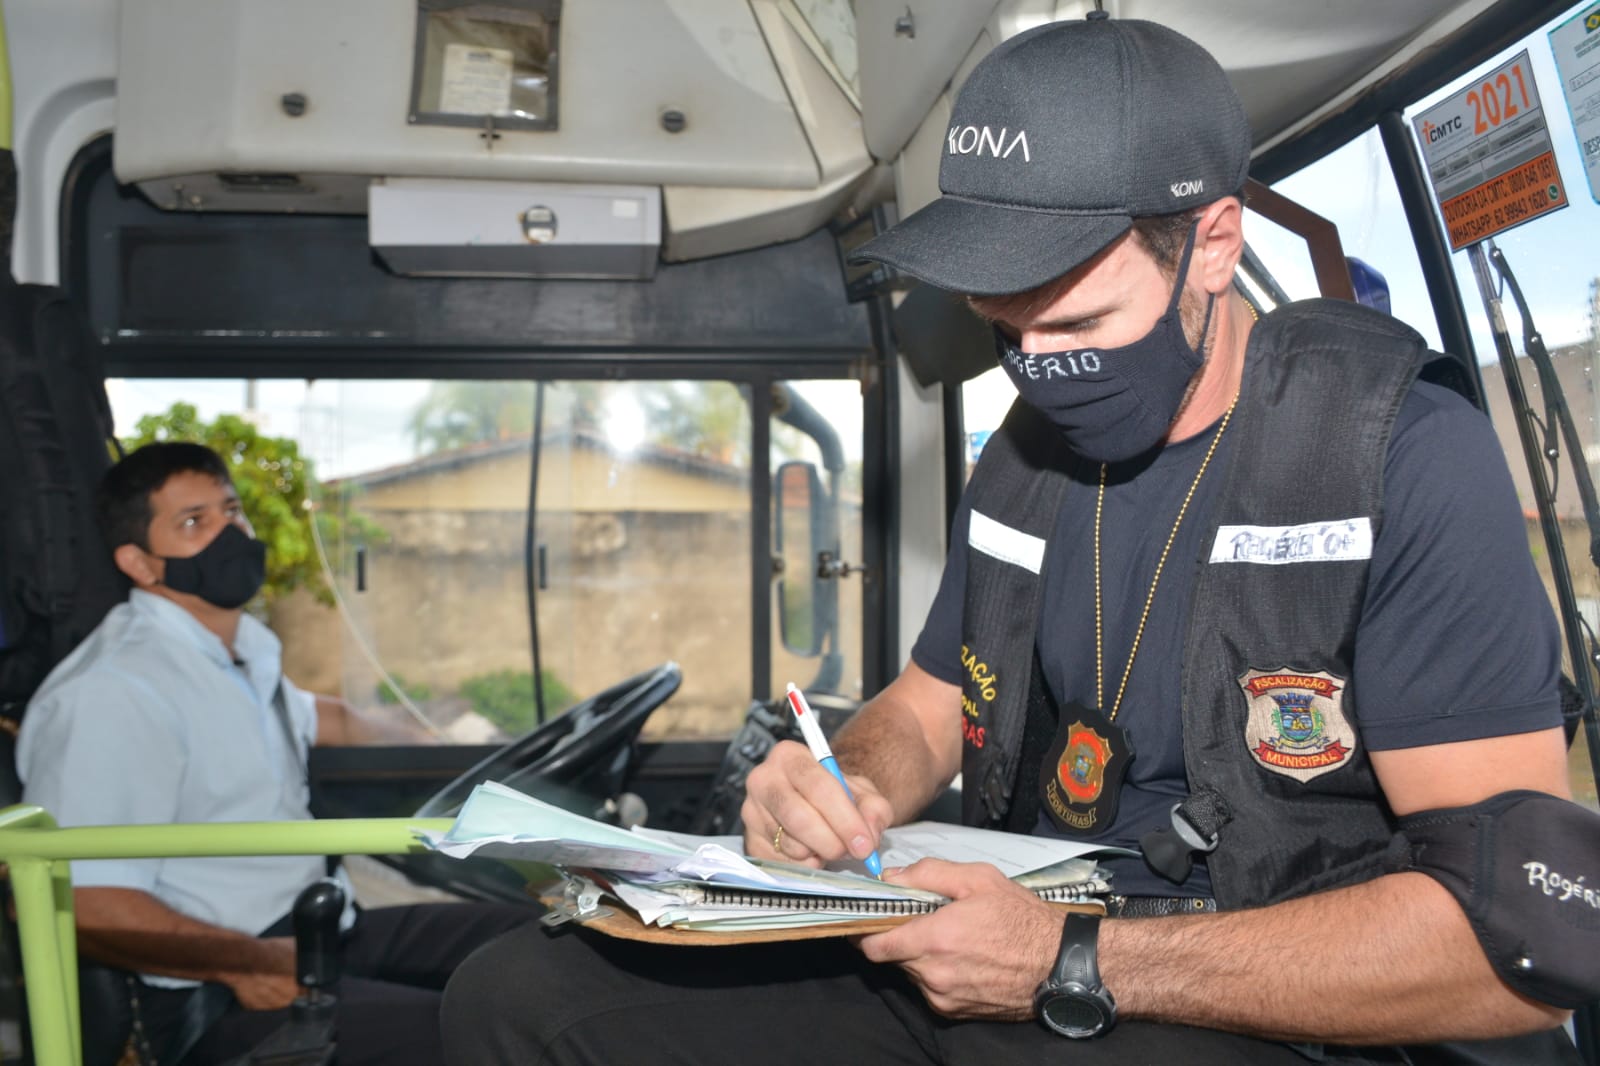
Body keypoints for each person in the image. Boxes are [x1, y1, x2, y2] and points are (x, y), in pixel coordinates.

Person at [440, 15, 1594, 1065]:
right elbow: (930, 703)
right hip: (1018, 935)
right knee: (520, 994)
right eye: (1008, 333)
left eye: (1081, 322)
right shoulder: (1026, 453)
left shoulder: (1394, 451)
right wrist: (847, 788)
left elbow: (1508, 953)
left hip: (1257, 993)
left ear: (1210, 243)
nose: (1044, 367)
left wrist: (1073, 959)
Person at [16, 441, 539, 1066]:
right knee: (490, 1036)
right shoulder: (112, 693)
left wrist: (454, 742)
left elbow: (324, 716)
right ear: (139, 562)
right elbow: (87, 903)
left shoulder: (234, 654)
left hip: (319, 929)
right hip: (214, 985)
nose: (230, 533)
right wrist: (248, 963)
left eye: (231, 511)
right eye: (194, 523)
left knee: (546, 948)